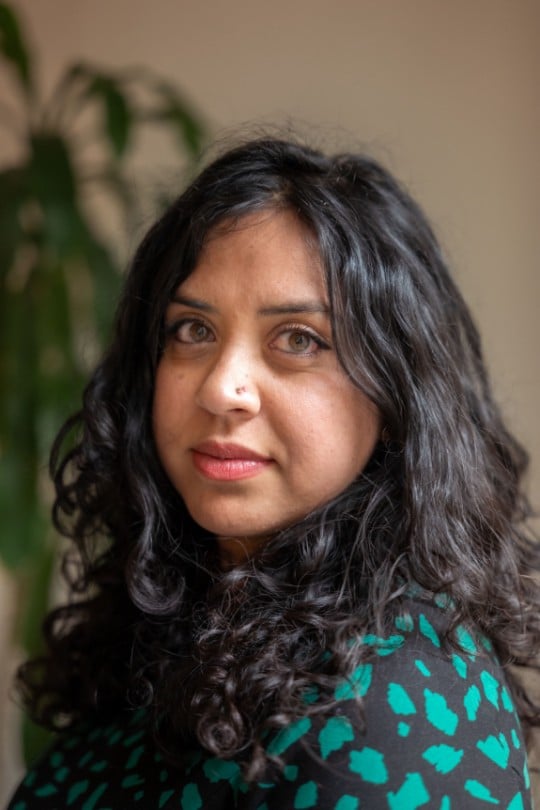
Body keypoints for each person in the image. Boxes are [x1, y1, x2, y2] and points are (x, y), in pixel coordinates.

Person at [7, 136, 540, 809]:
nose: (221, 388)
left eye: (298, 339)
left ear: (395, 394)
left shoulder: (403, 705)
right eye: (193, 330)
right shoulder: (164, 629)